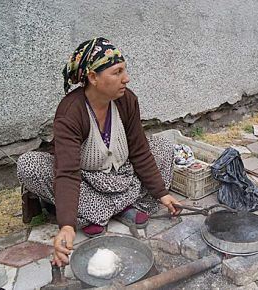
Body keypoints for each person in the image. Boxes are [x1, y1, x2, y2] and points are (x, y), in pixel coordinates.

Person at [17, 37, 181, 266]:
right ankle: (120, 209)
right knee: (29, 165)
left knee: (163, 146)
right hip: (88, 182)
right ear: (93, 77)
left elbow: (140, 151)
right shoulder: (71, 112)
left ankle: (101, 213)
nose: (126, 78)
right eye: (117, 72)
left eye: (124, 70)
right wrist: (66, 225)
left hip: (123, 177)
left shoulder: (127, 100)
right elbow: (67, 172)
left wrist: (162, 194)